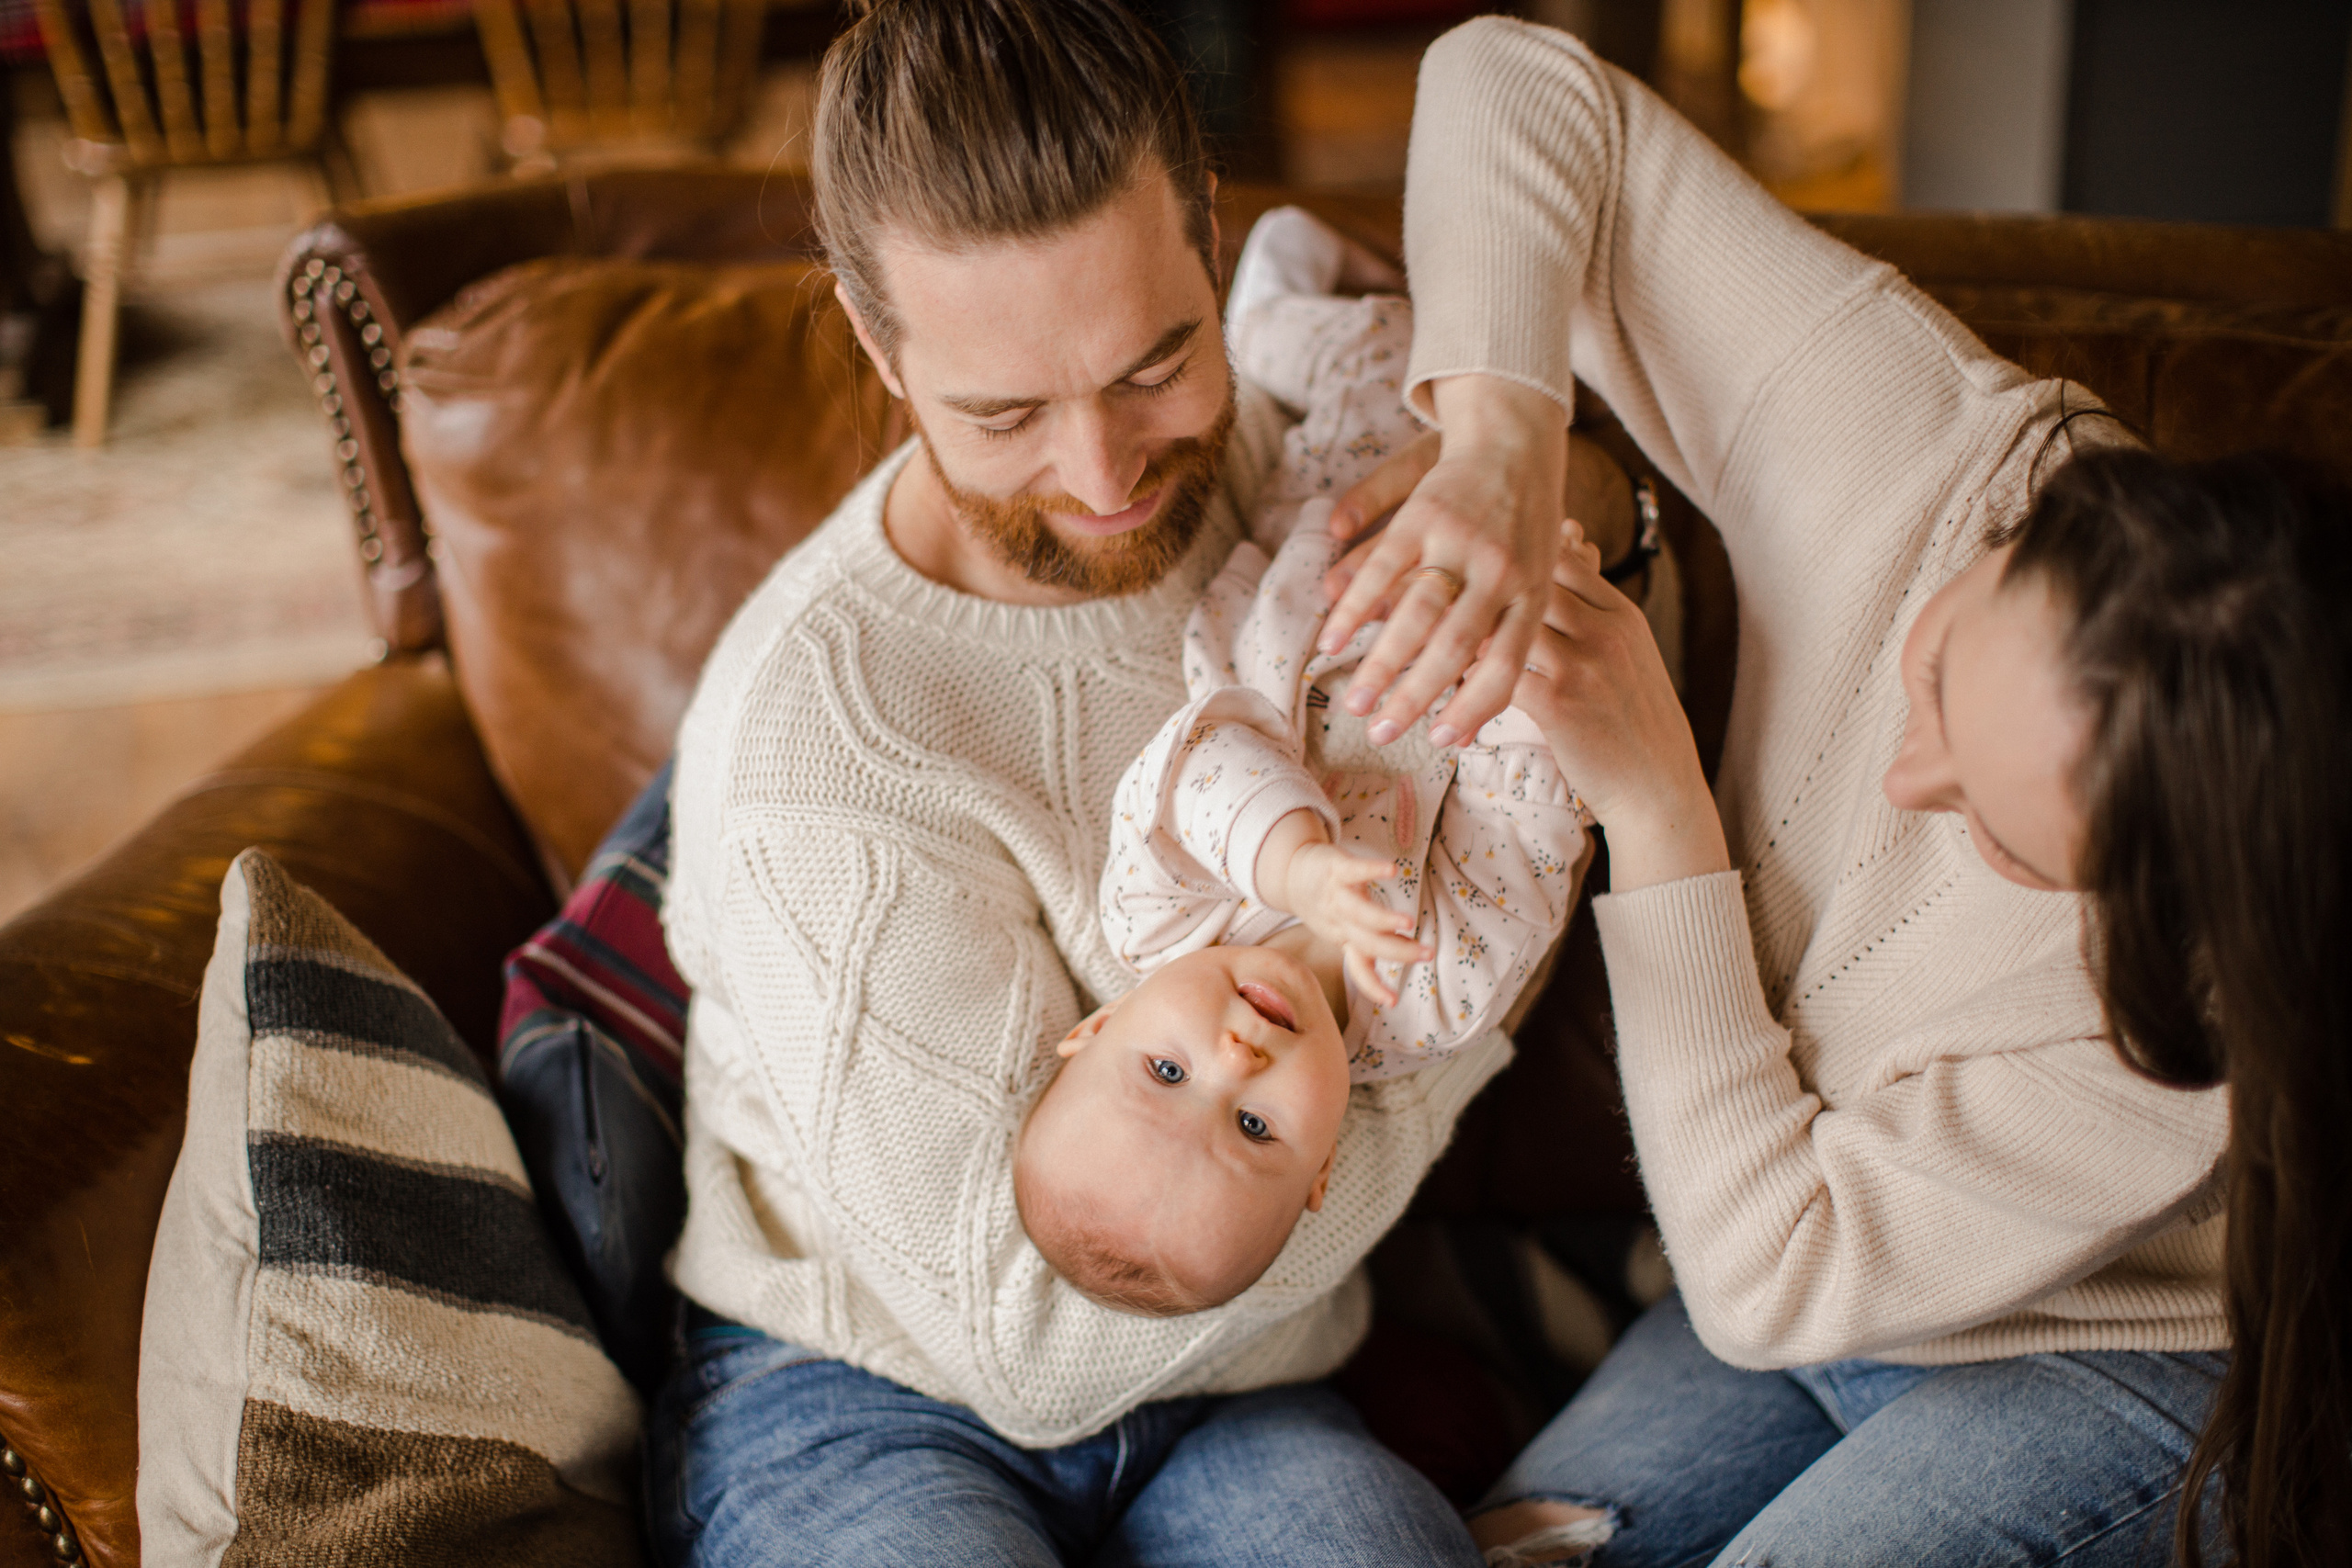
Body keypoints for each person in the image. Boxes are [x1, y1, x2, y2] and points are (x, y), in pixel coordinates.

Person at [1332, 17, 2349, 1568]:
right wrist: (1500, 440)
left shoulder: (2195, 1023)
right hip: (1804, 1256)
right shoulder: (1938, 456)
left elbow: (1765, 1276)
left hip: (2090, 1358)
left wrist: (1663, 809)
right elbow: (1509, 78)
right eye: (1938, 672)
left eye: (2003, 835)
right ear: (2024, 525)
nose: (1902, 771)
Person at [651, 6, 1616, 1563]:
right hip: (865, 1379)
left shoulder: (1290, 457)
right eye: (1006, 414)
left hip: (1253, 1378)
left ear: (1211, 236)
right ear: (876, 345)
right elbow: (1025, 1346)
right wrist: (1448, 998)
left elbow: (1532, 171)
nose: (1108, 478)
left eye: (1158, 362)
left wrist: (1565, 481)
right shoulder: (817, 742)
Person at [1016, 208, 1592, 1318]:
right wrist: (1522, 629)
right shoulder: (1439, 999)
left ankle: (1281, 290)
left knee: (1374, 347)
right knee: (1545, 370)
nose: (1236, 1055)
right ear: (1325, 1161)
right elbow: (1534, 828)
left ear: (1098, 1027)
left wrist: (1294, 870)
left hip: (1336, 507)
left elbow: (1206, 757)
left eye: (1168, 1073)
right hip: (1478, 603)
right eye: (1253, 1126)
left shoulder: (1158, 919)